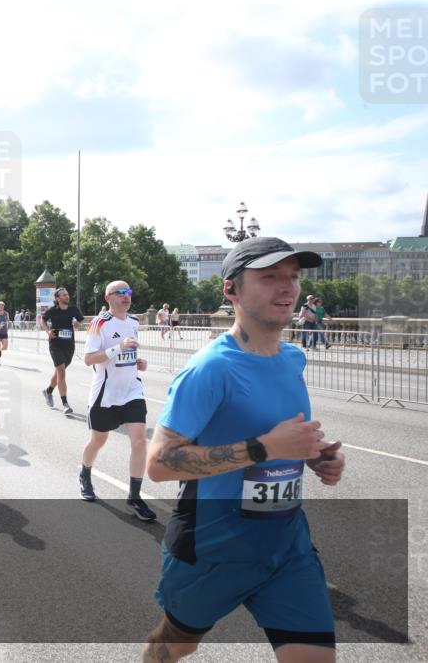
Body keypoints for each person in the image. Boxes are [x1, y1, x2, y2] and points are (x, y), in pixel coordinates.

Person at [142, 237, 345, 662]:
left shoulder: (292, 359)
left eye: (292, 276)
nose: (286, 287)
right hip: (213, 550)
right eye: (270, 277)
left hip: (286, 548)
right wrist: (265, 448)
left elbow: (278, 438)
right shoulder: (209, 369)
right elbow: (159, 464)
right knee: (171, 648)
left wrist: (313, 454)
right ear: (231, 289)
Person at [78, 281, 156, 521]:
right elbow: (89, 359)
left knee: (140, 442)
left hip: (132, 390)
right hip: (106, 393)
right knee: (98, 441)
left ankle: (134, 497)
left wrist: (138, 362)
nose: (126, 296)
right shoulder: (99, 323)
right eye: (121, 293)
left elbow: (128, 355)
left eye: (129, 292)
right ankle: (85, 473)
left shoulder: (134, 322)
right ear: (108, 297)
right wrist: (117, 348)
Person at [39, 287, 84, 415]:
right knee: (61, 371)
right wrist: (48, 331)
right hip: (55, 344)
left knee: (60, 371)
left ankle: (48, 391)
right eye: (64, 295)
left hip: (69, 345)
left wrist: (78, 325)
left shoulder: (73, 309)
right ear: (57, 298)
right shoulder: (53, 311)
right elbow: (43, 319)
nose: (67, 297)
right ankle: (65, 404)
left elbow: (80, 319)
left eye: (67, 294)